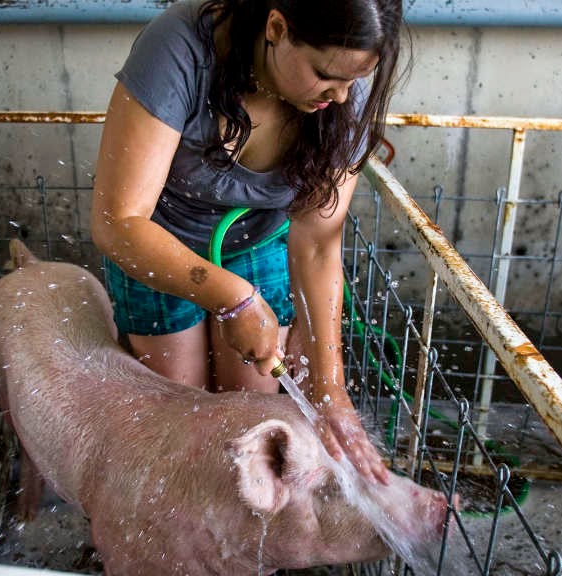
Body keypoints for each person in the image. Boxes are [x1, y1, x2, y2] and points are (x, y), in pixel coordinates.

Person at [91, 0, 402, 484]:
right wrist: (232, 299)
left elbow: (318, 244)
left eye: (354, 81)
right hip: (156, 243)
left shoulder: (344, 98)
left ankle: (242, 546)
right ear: (276, 26)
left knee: (252, 414)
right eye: (325, 74)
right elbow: (118, 221)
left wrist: (330, 387)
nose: (341, 97)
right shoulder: (179, 47)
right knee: (179, 412)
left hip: (256, 242)